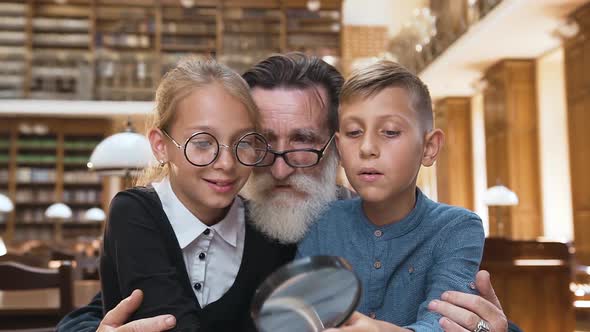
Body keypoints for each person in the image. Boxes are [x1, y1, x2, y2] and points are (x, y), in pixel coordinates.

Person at [57, 53, 517, 332]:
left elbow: (465, 311)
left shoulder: (348, 216)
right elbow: (108, 309)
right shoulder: (222, 214)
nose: (278, 168)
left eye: (302, 143)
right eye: (260, 143)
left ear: (339, 145)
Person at [99, 58, 296, 331]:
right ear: (160, 146)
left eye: (244, 142)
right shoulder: (133, 212)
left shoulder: (270, 228)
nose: (226, 163)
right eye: (202, 143)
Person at [296, 60, 485, 331]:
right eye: (353, 133)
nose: (368, 147)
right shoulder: (320, 222)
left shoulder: (457, 227)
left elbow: (446, 322)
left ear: (429, 148)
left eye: (390, 132)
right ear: (338, 147)